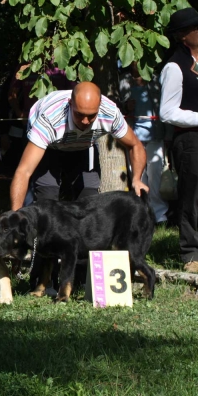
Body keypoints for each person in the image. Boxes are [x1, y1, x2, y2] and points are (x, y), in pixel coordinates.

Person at [10, 82, 148, 294]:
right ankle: (44, 282)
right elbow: (23, 172)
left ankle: (84, 280)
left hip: (82, 147)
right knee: (47, 203)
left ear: (100, 108)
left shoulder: (109, 113)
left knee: (89, 205)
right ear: (70, 105)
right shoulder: (50, 118)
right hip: (50, 147)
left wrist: (137, 178)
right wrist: (16, 217)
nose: (85, 121)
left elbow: (135, 145)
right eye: (80, 115)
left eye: (91, 116)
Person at [159, 7, 198, 272]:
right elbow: (166, 111)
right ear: (185, 36)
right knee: (192, 197)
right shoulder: (174, 67)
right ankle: (191, 254)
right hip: (190, 140)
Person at [120, 61, 171, 224]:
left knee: (155, 172)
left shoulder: (155, 79)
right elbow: (119, 107)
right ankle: (142, 212)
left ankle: (159, 213)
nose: (138, 63)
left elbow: (164, 106)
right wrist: (126, 106)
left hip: (155, 134)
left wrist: (168, 134)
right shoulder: (124, 80)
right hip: (133, 136)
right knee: (138, 175)